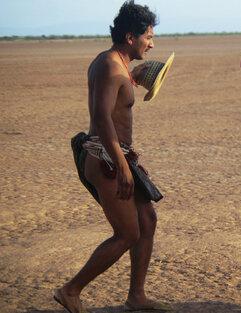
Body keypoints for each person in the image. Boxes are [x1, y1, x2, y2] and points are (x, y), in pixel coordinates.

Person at [54, 1, 170, 312]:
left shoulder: (117, 65)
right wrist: (121, 167)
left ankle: (137, 296)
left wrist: (133, 77)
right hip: (106, 159)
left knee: (147, 220)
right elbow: (101, 117)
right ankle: (70, 290)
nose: (152, 42)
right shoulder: (108, 65)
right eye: (148, 36)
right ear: (130, 36)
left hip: (118, 156)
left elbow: (116, 100)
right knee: (127, 233)